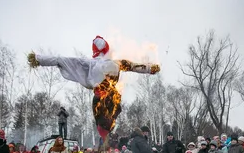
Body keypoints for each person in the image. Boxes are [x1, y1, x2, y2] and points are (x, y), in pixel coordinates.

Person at [28, 36, 160, 140]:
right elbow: (134, 66)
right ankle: (107, 132)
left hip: (101, 95)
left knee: (107, 117)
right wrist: (150, 68)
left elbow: (60, 59)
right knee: (116, 110)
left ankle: (106, 131)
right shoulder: (116, 63)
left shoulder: (90, 63)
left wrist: (38, 59)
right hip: (111, 95)